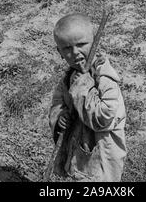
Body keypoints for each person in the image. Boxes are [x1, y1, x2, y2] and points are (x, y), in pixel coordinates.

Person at [49, 13, 126, 182]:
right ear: (59, 52)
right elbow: (58, 103)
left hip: (102, 158)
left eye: (82, 44)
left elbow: (104, 118)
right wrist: (60, 117)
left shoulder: (105, 78)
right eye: (67, 48)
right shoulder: (69, 77)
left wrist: (83, 88)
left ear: (94, 42)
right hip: (79, 152)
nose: (75, 53)